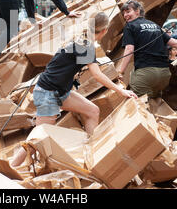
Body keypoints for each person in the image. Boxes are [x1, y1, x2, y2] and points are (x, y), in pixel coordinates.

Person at [10, 12, 138, 167]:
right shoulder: (85, 45)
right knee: (38, 136)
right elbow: (97, 75)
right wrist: (121, 91)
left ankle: (94, 156)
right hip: (47, 92)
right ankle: (11, 166)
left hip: (60, 92)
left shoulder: (80, 39)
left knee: (92, 111)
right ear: (104, 31)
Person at [117, 0, 177, 99]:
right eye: (123, 13)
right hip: (164, 75)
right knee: (155, 103)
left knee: (136, 105)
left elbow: (129, 49)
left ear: (137, 11)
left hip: (145, 74)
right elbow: (174, 42)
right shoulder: (154, 25)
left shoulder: (130, 26)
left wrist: (121, 72)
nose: (125, 15)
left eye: (128, 11)